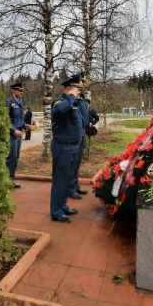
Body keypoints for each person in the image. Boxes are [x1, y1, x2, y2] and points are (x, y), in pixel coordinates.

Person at [50, 75, 83, 223]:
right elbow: (59, 110)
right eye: (77, 89)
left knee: (67, 179)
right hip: (62, 147)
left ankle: (62, 205)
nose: (79, 92)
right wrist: (70, 97)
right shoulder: (60, 101)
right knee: (60, 180)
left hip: (72, 147)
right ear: (68, 89)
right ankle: (56, 211)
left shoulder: (73, 103)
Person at [68, 74, 89, 200]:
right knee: (72, 162)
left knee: (77, 162)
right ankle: (70, 188)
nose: (84, 84)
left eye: (84, 82)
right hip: (75, 134)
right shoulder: (73, 98)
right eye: (82, 82)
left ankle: (75, 185)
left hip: (82, 132)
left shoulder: (82, 97)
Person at [5, 82, 28, 189]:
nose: (21, 92)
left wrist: (24, 125)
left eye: (22, 91)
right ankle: (6, 179)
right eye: (19, 90)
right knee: (12, 156)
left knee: (16, 157)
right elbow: (6, 120)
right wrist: (14, 130)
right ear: (13, 90)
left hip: (19, 134)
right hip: (12, 134)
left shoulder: (20, 103)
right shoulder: (9, 103)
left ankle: (10, 179)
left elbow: (20, 118)